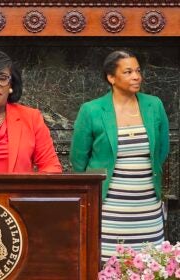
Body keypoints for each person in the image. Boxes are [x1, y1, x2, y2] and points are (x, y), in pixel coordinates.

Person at [70, 50, 169, 262]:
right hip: (109, 209)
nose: (136, 76)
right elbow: (78, 160)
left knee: (148, 265)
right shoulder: (91, 110)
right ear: (111, 78)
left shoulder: (154, 105)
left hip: (147, 207)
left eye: (138, 71)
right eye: (128, 72)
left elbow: (161, 150)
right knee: (108, 265)